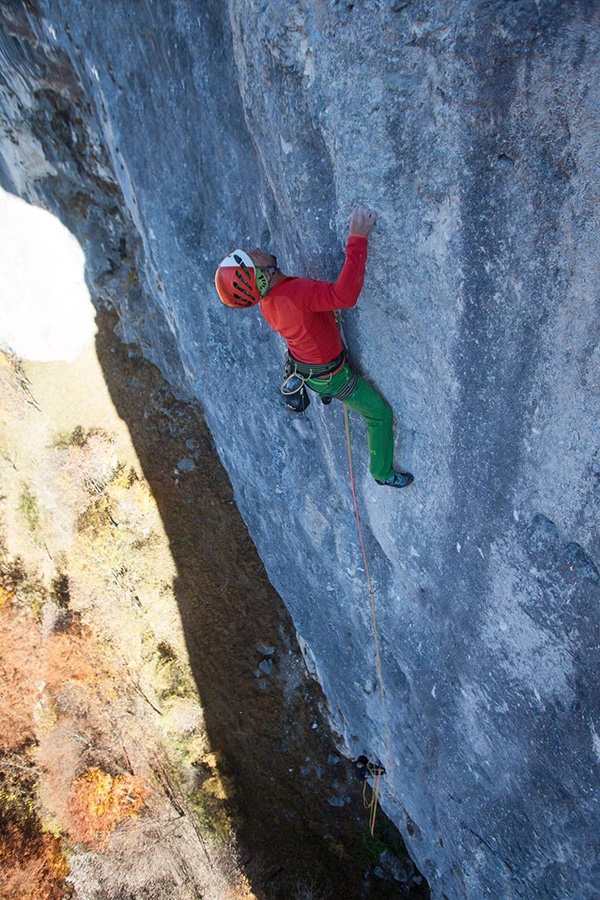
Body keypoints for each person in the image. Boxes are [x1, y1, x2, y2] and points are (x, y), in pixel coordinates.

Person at [214, 205, 413, 489]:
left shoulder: (270, 303)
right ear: (259, 276)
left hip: (313, 371)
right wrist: (357, 238)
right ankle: (382, 472)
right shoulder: (294, 295)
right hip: (333, 376)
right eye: (253, 256)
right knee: (379, 415)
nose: (257, 248)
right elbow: (345, 295)